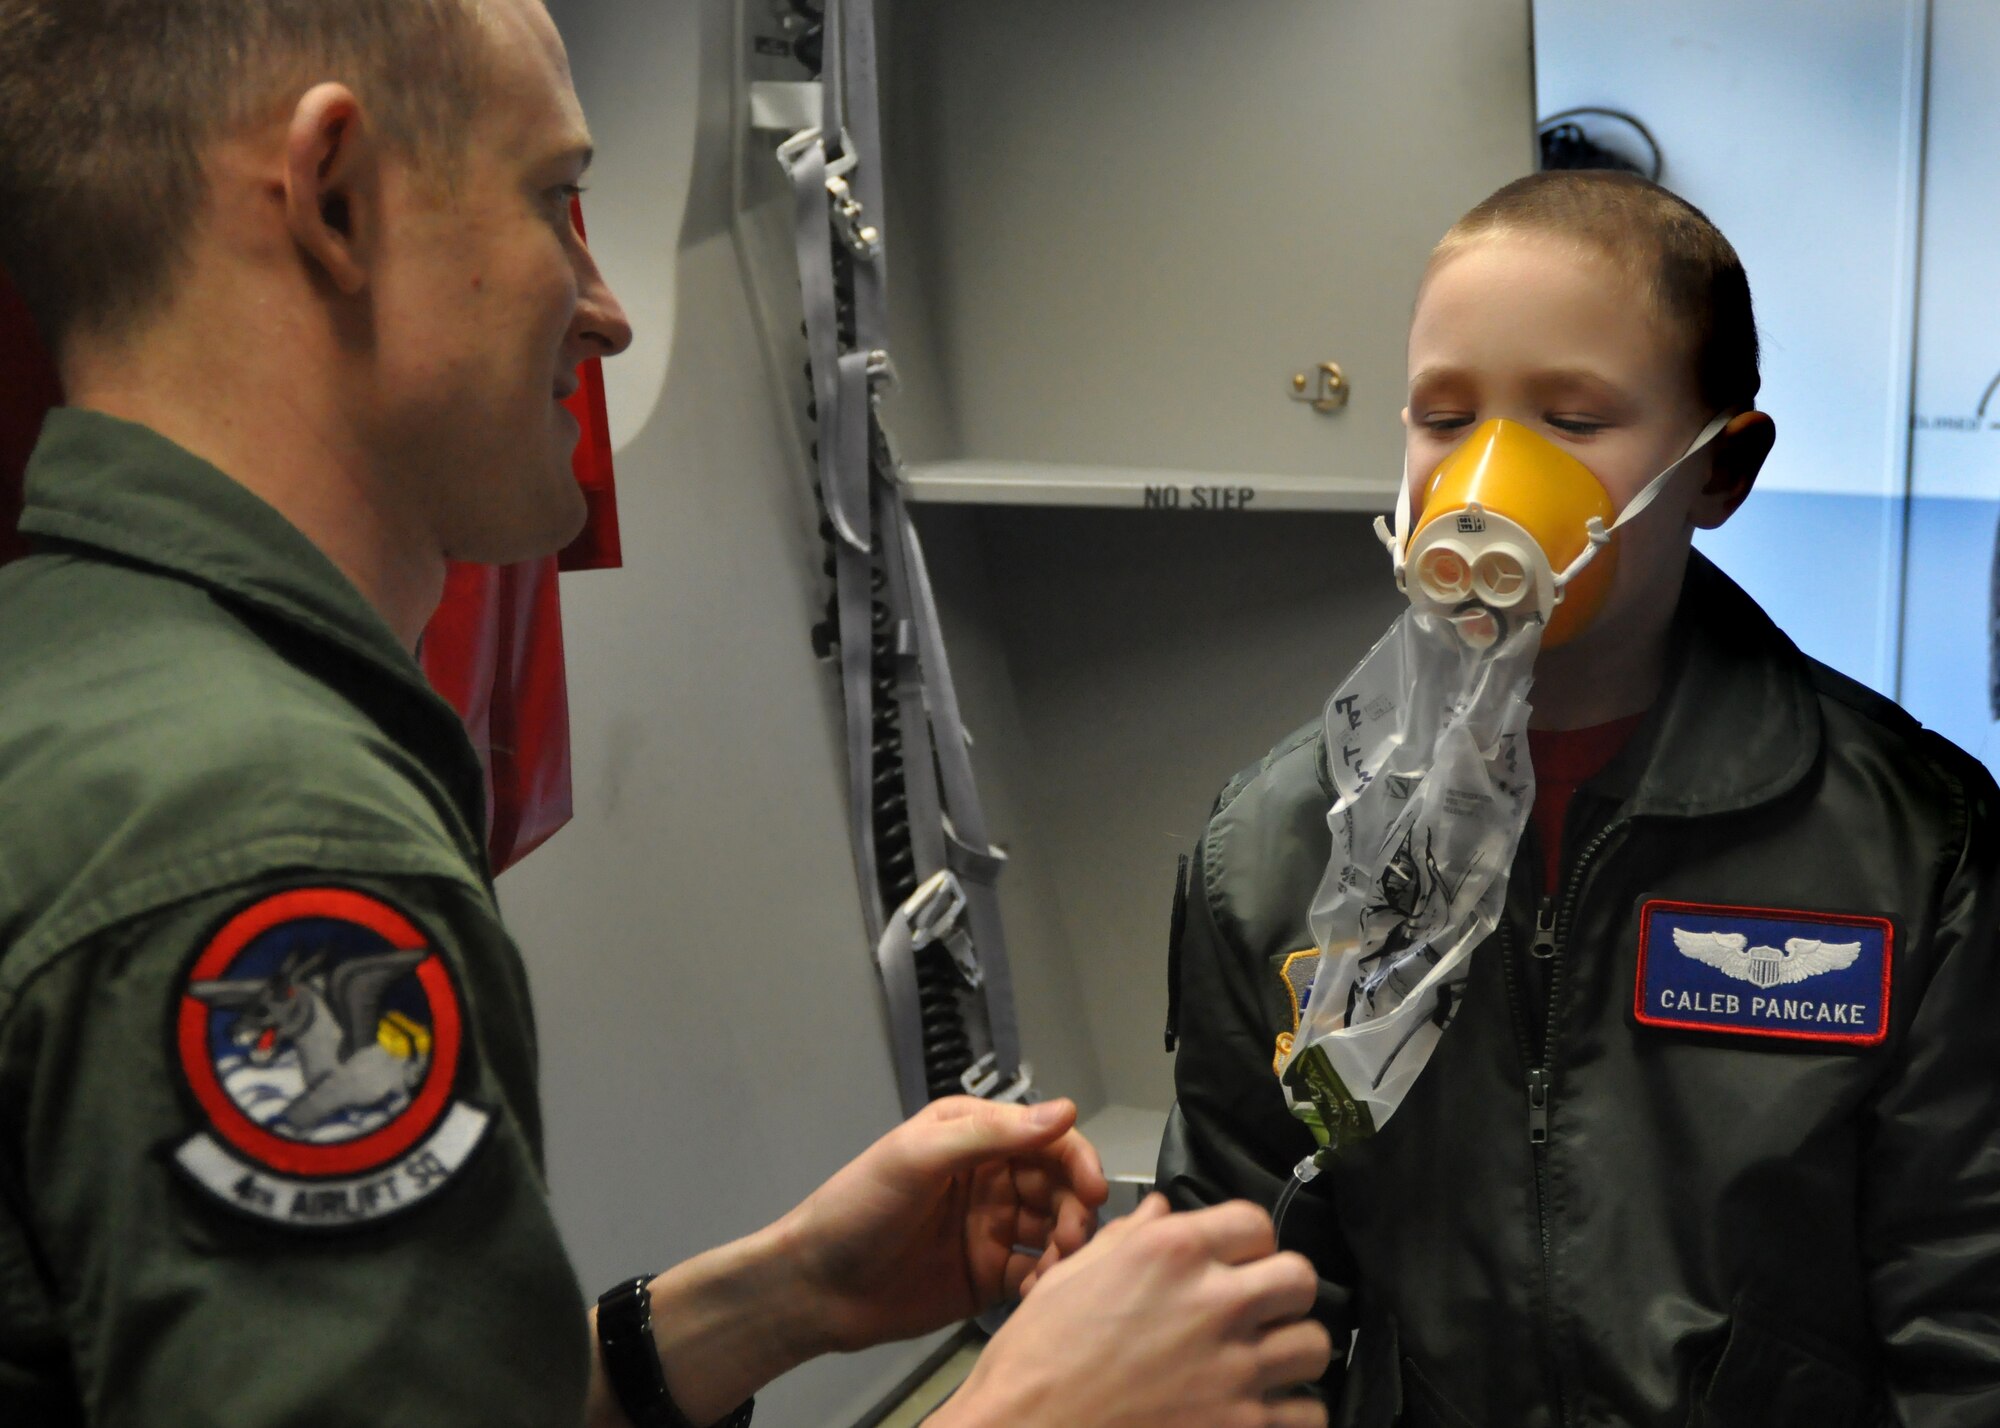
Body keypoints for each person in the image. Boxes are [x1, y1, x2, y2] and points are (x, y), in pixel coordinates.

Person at [0, 2, 1333, 1424]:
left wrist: (775, 1299)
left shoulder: (79, 675)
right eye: (552, 201)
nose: (606, 305)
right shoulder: (262, 834)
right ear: (334, 200)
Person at [1158, 169, 2000, 1425]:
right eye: (1444, 418)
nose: (1487, 480)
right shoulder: (1277, 848)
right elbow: (1238, 1300)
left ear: (1722, 468)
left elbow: (1965, 1313)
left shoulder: (1906, 850)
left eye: (1571, 419)